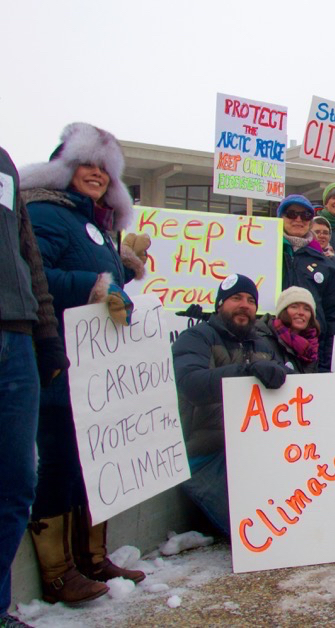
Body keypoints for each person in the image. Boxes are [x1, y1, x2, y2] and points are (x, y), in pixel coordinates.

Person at [21, 123, 149, 603]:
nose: (95, 174)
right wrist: (94, 283)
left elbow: (101, 288)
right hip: (59, 359)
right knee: (59, 459)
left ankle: (92, 557)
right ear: (63, 168)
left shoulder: (93, 222)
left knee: (93, 458)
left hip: (95, 367)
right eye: (85, 165)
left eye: (104, 169)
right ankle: (58, 572)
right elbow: (37, 277)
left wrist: (123, 273)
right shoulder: (45, 213)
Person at [0, 144, 70, 615]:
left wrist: (46, 335)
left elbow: (29, 257)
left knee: (18, 481)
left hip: (18, 338)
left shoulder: (5, 165)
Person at [173, 275, 289, 535]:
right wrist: (247, 371)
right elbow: (191, 384)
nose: (245, 305)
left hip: (257, 452)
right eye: (236, 298)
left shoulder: (264, 345)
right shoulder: (196, 337)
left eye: (250, 300)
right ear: (219, 305)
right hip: (208, 453)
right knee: (258, 531)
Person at [277, 195, 335, 370]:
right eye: (292, 214)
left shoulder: (325, 264)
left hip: (312, 351)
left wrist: (328, 361)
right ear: (281, 218)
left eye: (305, 215)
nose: (298, 219)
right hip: (272, 344)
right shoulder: (266, 254)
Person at [256, 286, 321, 374]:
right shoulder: (263, 338)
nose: (301, 313)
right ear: (283, 311)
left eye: (307, 309)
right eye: (294, 307)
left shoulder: (312, 347)